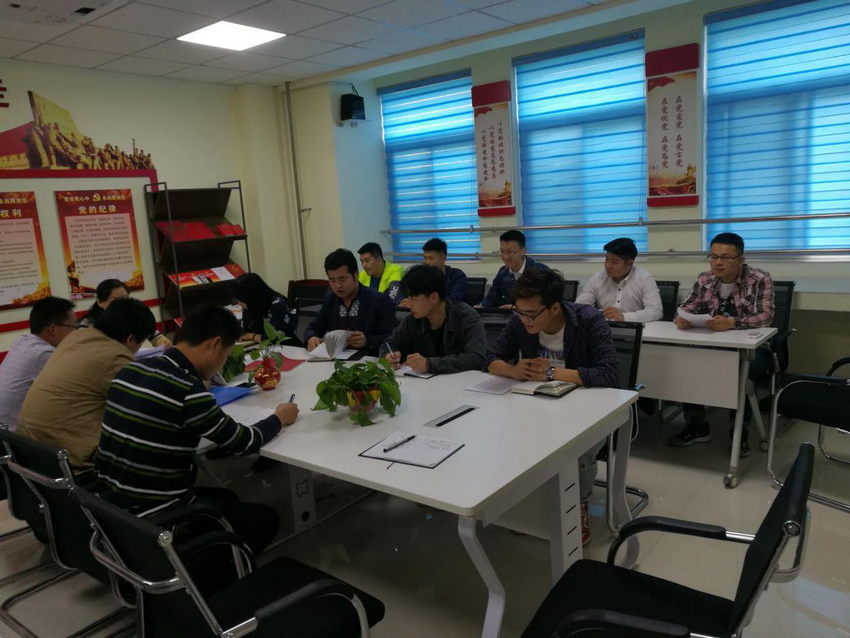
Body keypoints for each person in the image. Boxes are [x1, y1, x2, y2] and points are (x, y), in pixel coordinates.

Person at [95, 305, 297, 556]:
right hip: (157, 525)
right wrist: (279, 418)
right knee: (266, 519)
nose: (222, 363)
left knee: (227, 497)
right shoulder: (186, 389)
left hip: (111, 511)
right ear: (215, 344)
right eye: (226, 354)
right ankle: (212, 568)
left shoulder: (130, 370)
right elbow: (243, 442)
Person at [485, 268, 618, 546]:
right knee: (507, 437)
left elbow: (608, 373)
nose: (524, 319)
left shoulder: (588, 320)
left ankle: (578, 504)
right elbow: (490, 357)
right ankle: (529, 499)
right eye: (519, 312)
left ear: (555, 307)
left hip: (586, 411)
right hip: (536, 407)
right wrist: (513, 370)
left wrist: (550, 373)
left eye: (531, 314)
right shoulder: (521, 321)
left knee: (577, 449)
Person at [17, 298, 156, 471]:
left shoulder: (77, 337)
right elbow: (145, 408)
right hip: (68, 466)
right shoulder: (115, 357)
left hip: (31, 455)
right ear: (131, 339)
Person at [669, 232, 774, 457]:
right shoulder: (704, 279)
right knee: (687, 364)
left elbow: (765, 316)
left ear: (741, 259)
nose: (718, 262)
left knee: (743, 372)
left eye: (726, 257)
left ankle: (739, 431)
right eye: (713, 256)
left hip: (750, 348)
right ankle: (697, 426)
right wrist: (682, 318)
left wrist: (732, 322)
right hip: (712, 344)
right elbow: (686, 307)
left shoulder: (759, 278)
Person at [384, 265, 486, 375]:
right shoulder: (412, 320)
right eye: (408, 298)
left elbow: (476, 358)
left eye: (414, 299)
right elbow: (390, 343)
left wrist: (430, 364)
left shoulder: (465, 317)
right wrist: (390, 354)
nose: (409, 304)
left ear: (433, 298)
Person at [0, 297, 77, 432]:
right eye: (74, 327)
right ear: (53, 329)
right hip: (14, 435)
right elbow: (73, 393)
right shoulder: (44, 354)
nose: (76, 332)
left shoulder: (22, 341)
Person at [305, 248, 397, 355]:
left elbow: (392, 337)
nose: (337, 286)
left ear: (356, 274)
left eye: (342, 280)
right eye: (332, 280)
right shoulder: (331, 299)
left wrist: (367, 341)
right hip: (336, 360)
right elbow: (313, 328)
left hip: (368, 359)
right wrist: (311, 337)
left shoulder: (380, 301)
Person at [575, 237, 663, 323]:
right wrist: (596, 314)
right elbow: (579, 307)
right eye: (606, 259)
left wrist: (624, 317)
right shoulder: (598, 278)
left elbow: (656, 312)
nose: (608, 265)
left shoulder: (644, 278)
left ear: (629, 264)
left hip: (635, 329)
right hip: (603, 328)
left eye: (614, 262)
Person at [80, 279, 171, 349]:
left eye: (125, 298)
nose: (121, 304)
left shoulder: (135, 315)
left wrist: (163, 343)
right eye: (114, 300)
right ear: (100, 302)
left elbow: (155, 337)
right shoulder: (89, 323)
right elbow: (84, 349)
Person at [480, 230, 549, 309]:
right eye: (502, 251)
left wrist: (518, 308)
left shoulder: (540, 271)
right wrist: (480, 307)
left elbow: (548, 301)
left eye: (510, 252)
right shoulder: (503, 273)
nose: (505, 257)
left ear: (523, 251)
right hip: (511, 315)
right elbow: (491, 298)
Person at [232, 273, 298, 345]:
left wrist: (251, 336)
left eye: (241, 300)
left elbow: (274, 339)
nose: (239, 303)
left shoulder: (277, 305)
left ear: (252, 298)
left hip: (284, 347)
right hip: (257, 346)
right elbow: (244, 331)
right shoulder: (249, 307)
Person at [401, 238, 467, 305]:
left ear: (443, 258)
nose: (427, 262)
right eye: (425, 258)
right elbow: (407, 295)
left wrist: (422, 304)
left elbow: (453, 301)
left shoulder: (457, 276)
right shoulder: (421, 276)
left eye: (431, 258)